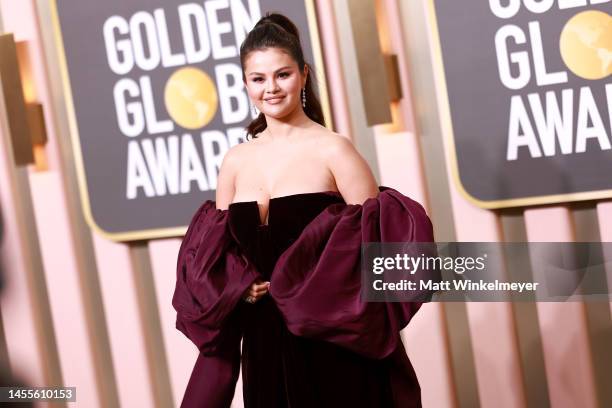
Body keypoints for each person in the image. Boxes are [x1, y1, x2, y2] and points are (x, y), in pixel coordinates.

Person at [172, 12, 434, 408]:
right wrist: (239, 289)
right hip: (263, 347)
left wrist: (310, 288)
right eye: (258, 79)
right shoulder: (235, 161)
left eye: (283, 75)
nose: (271, 89)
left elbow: (379, 257)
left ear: (304, 75)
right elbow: (213, 261)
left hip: (335, 349)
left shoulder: (335, 150)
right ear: (245, 84)